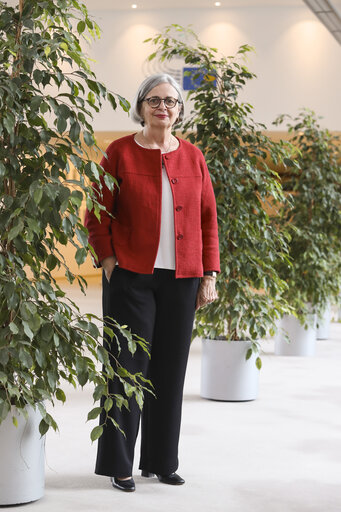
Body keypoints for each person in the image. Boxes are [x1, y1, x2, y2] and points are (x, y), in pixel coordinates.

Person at [84, 73, 220, 493]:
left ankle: (161, 461)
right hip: (131, 278)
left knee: (170, 370)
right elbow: (96, 211)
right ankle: (119, 464)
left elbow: (208, 219)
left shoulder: (194, 156)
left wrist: (209, 274)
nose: (164, 107)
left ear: (180, 110)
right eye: (155, 100)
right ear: (141, 106)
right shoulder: (119, 152)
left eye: (171, 102)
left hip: (182, 279)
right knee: (126, 370)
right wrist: (107, 259)